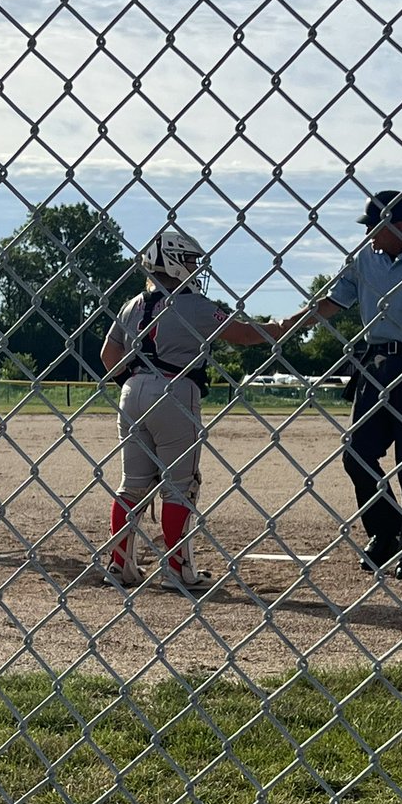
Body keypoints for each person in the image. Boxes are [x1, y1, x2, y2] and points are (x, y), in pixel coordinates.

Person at [274, 190, 402, 581]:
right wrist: (288, 324)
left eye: (374, 225)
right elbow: (331, 303)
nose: (368, 233)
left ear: (399, 225)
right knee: (357, 453)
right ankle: (386, 531)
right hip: (375, 362)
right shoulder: (363, 261)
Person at [100, 228, 281, 594]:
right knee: (181, 486)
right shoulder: (193, 305)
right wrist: (280, 327)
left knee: (131, 485)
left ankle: (120, 565)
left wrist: (134, 384)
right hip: (176, 388)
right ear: (172, 262)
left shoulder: (132, 304)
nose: (195, 269)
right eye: (189, 261)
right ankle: (176, 569)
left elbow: (108, 355)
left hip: (131, 391)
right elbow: (243, 335)